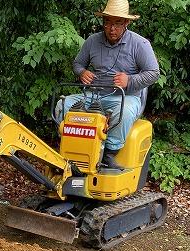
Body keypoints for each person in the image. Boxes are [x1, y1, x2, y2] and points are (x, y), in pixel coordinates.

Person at [62, 0, 160, 170]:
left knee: (126, 110)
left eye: (117, 23)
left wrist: (129, 80)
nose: (111, 29)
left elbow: (153, 73)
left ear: (126, 23)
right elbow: (78, 64)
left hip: (125, 97)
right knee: (64, 104)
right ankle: (72, 150)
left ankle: (109, 154)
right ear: (103, 22)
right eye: (107, 23)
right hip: (93, 94)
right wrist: (82, 72)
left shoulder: (140, 44)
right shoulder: (93, 41)